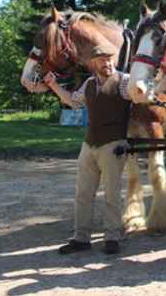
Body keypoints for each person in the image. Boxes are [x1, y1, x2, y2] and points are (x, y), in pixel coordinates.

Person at [43, 42, 132, 255]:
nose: (107, 63)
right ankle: (81, 238)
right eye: (102, 59)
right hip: (89, 144)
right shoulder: (90, 83)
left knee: (112, 194)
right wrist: (53, 86)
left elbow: (140, 94)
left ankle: (112, 237)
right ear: (93, 63)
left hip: (113, 145)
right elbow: (73, 101)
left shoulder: (124, 81)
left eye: (110, 59)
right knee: (82, 194)